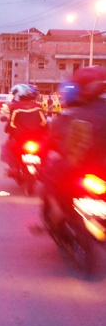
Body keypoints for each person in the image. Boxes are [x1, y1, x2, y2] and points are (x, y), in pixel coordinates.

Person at [43, 66, 106, 226]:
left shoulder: (69, 116)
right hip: (100, 170)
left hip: (77, 169)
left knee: (49, 177)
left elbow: (50, 143)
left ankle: (57, 212)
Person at [0, 84, 49, 174]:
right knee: (46, 148)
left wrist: (8, 130)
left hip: (20, 138)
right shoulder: (38, 106)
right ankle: (44, 167)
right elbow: (44, 122)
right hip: (37, 137)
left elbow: (12, 123)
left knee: (6, 147)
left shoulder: (15, 107)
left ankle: (14, 167)